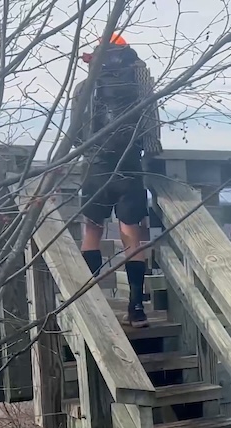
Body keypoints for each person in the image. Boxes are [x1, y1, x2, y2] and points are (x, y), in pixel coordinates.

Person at [68, 32, 162, 328]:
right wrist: (152, 153)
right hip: (130, 167)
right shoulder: (140, 84)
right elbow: (151, 129)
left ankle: (90, 306)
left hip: (96, 168)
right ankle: (136, 309)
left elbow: (75, 134)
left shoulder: (84, 87)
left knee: (91, 234)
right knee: (132, 238)